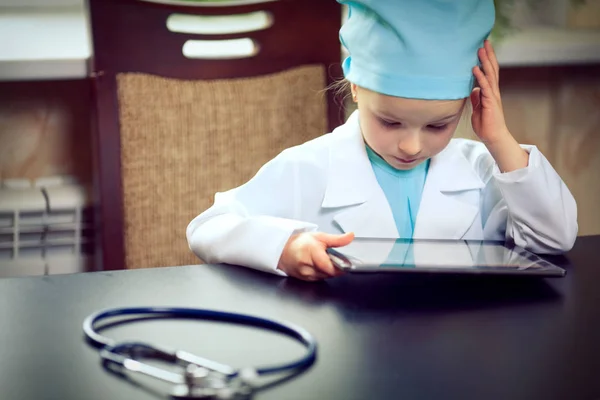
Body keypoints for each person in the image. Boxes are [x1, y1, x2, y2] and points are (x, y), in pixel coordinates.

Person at [186, 0, 578, 281]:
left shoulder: (483, 169)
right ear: (355, 87)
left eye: (438, 127)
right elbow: (208, 228)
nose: (410, 146)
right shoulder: (307, 167)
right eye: (391, 122)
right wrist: (283, 248)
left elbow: (553, 238)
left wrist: (499, 138)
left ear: (468, 103)